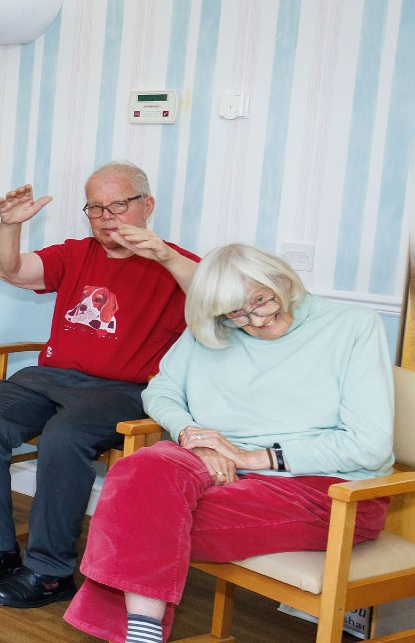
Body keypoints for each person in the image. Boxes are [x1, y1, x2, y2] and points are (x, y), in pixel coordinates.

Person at [64, 244, 394, 643]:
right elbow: (162, 391)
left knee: (133, 517)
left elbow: (369, 445)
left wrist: (251, 457)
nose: (257, 320)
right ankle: (143, 636)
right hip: (216, 466)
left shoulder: (353, 325)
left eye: (261, 300)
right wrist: (192, 434)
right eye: (237, 314)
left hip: (324, 488)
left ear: (284, 281)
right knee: (137, 472)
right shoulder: (214, 328)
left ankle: (140, 635)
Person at [0, 164, 200, 609]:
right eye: (96, 207)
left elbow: (218, 302)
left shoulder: (174, 263)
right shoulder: (77, 253)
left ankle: (50, 570)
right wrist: (9, 225)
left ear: (147, 206)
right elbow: (10, 270)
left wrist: (165, 256)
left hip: (123, 389)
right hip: (53, 376)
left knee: (65, 438)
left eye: (119, 205)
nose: (107, 217)